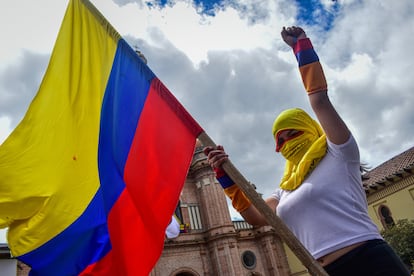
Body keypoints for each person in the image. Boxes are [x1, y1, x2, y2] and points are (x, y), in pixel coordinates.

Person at [204, 26, 410, 276]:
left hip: (370, 262)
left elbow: (320, 100)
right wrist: (225, 175)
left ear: (310, 128)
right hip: (322, 271)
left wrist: (302, 49)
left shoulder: (340, 153)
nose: (288, 140)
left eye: (293, 132)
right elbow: (256, 216)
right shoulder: (285, 188)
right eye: (281, 138)